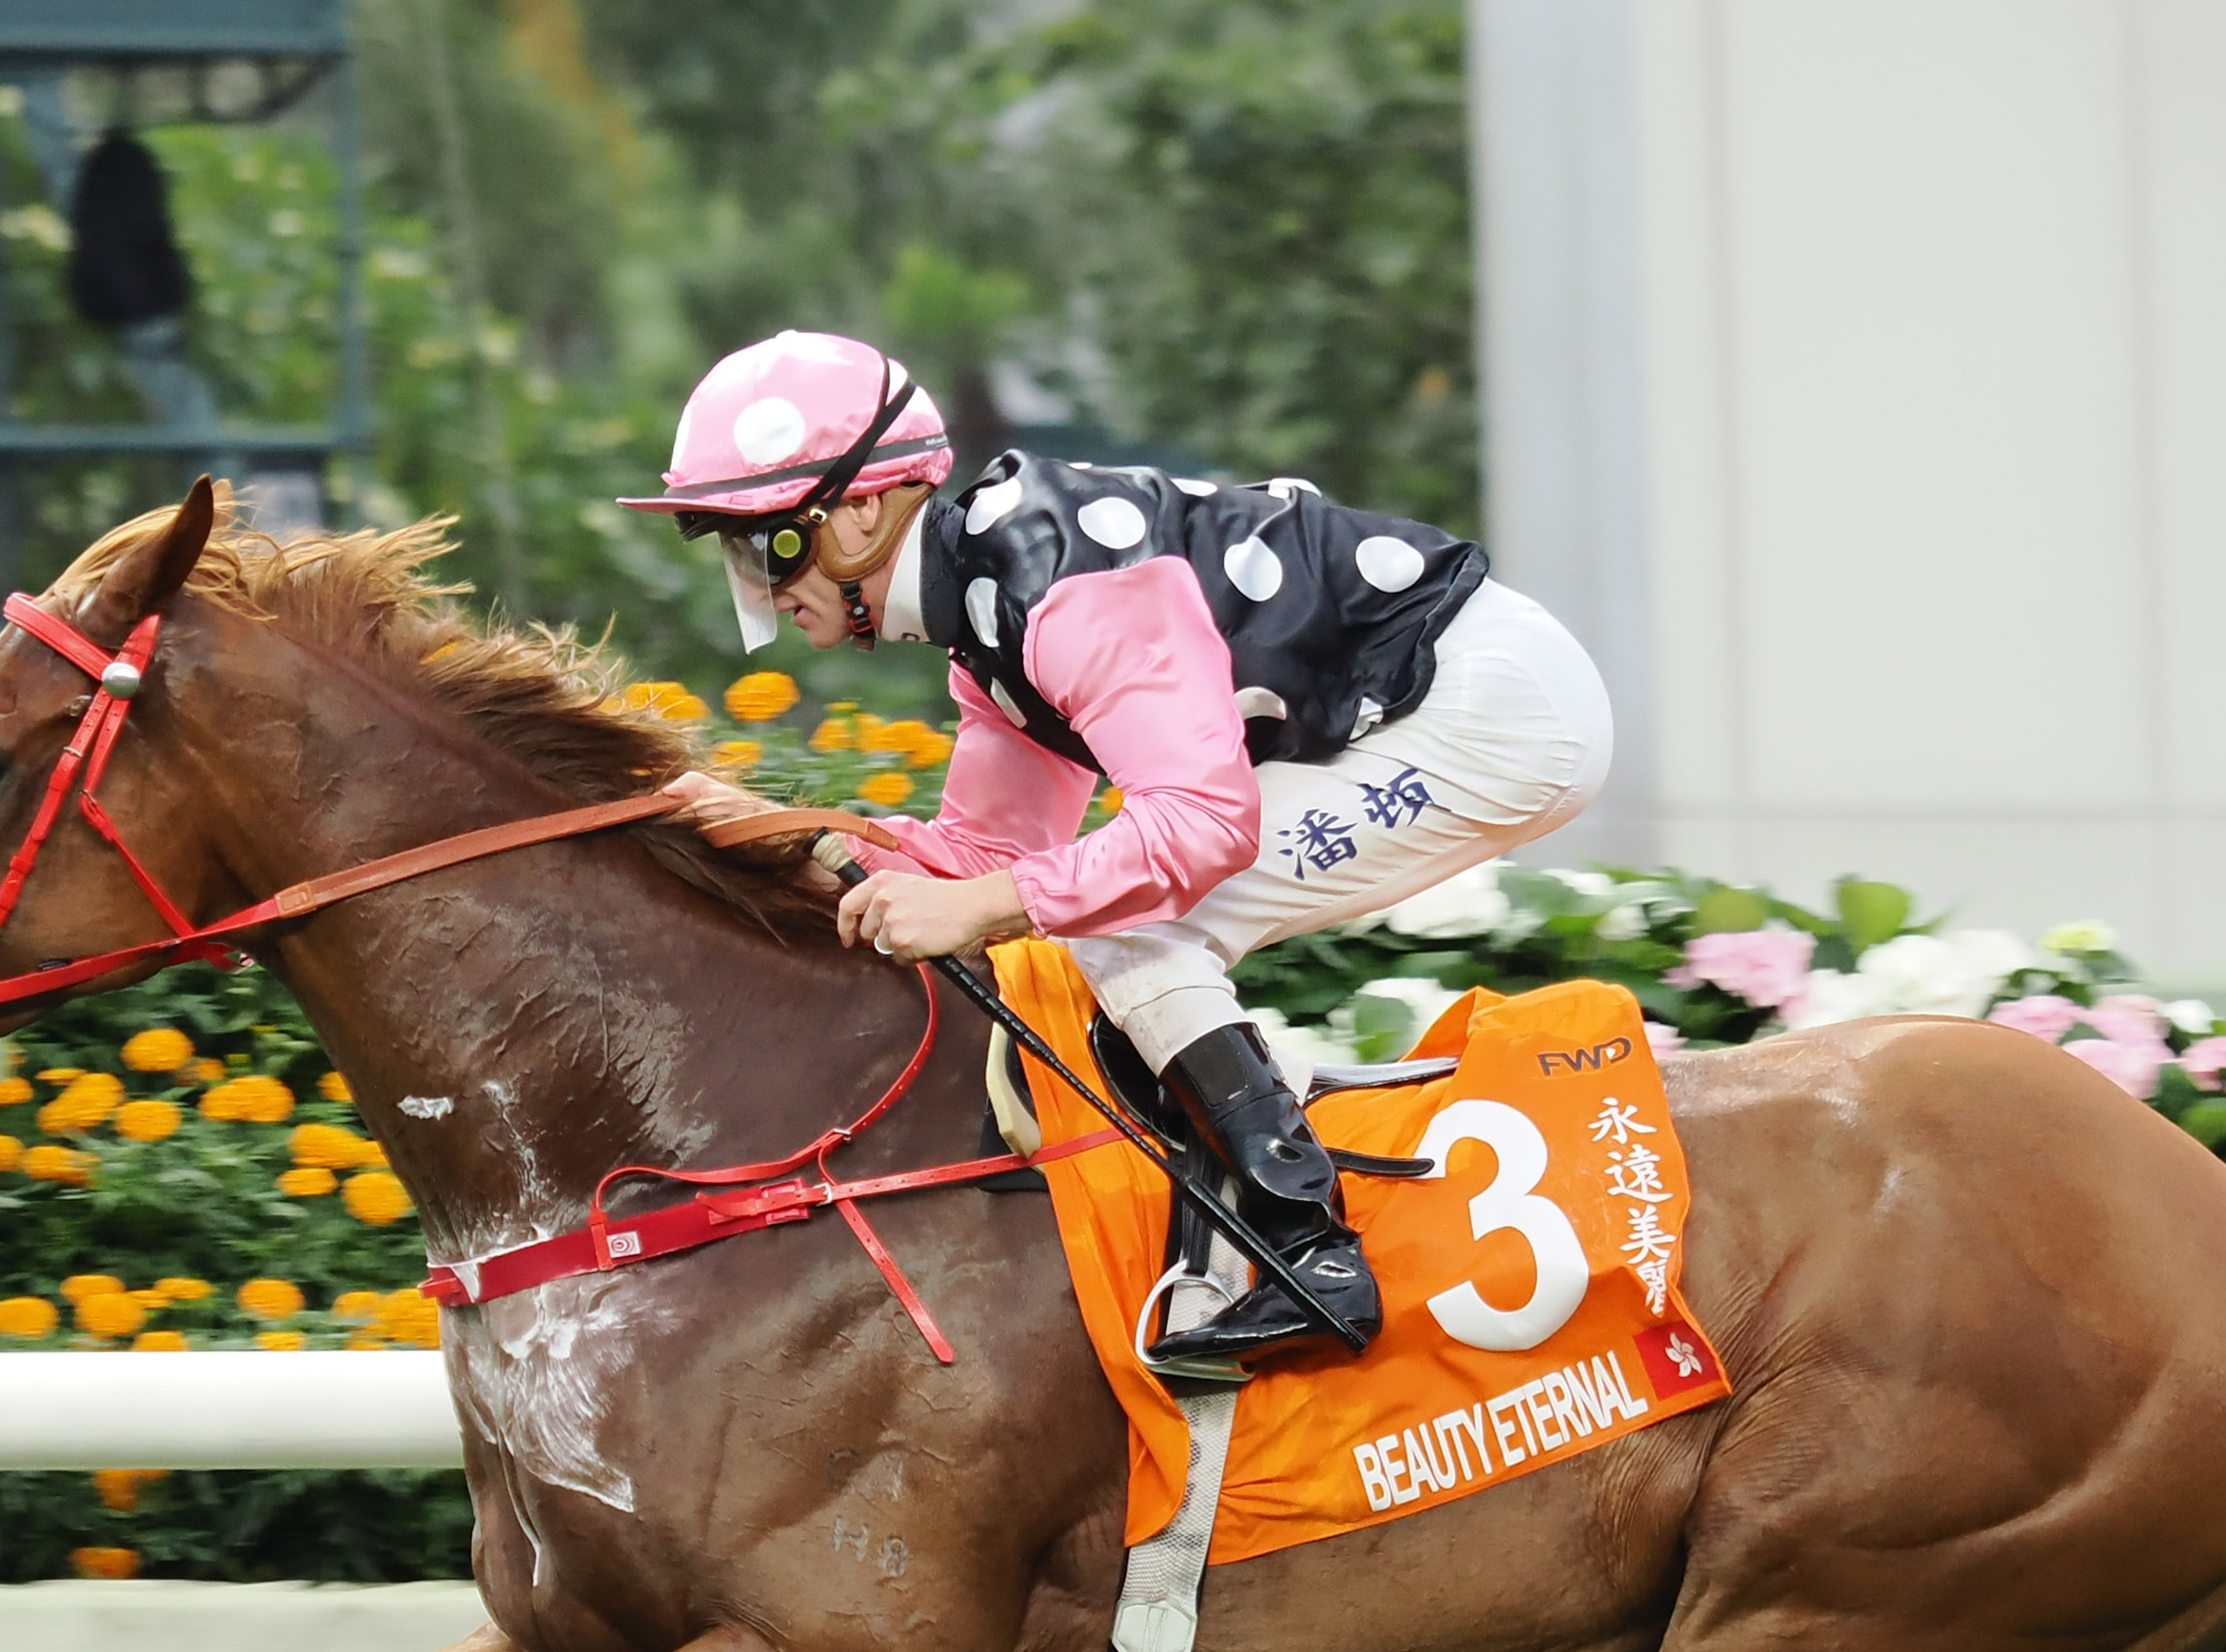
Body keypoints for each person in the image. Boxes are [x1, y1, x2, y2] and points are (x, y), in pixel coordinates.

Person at [627, 332, 1613, 1382]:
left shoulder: (1055, 586)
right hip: (1449, 701)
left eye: (767, 546)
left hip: (1492, 710)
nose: (762, 587)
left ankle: (1309, 1251)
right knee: (1101, 908)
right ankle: (1280, 1234)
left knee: (1130, 916)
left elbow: (1197, 827)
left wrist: (990, 904)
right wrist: (776, 833)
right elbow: (981, 854)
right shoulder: (990, 620)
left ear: (860, 510)